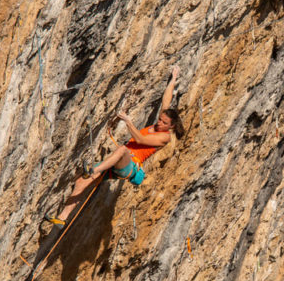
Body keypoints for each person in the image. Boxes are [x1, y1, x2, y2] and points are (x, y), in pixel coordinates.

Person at [48, 66, 185, 227]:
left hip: (131, 166)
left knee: (122, 150)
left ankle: (93, 170)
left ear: (171, 126)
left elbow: (140, 139)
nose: (159, 122)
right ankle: (62, 218)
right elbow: (166, 101)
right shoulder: (163, 121)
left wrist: (128, 121)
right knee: (81, 182)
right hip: (117, 164)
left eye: (164, 122)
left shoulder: (164, 137)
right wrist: (173, 79)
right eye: (160, 119)